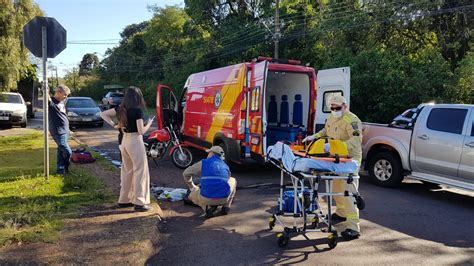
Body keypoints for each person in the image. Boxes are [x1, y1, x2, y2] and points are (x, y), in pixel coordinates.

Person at [302, 94, 363, 240]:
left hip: (350, 160)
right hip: (336, 159)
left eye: (337, 108)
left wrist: (335, 146)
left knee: (348, 193)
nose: (335, 110)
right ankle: (341, 213)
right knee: (336, 189)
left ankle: (353, 227)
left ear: (345, 106)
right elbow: (325, 131)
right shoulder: (331, 117)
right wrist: (314, 137)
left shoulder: (352, 120)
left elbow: (355, 142)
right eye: (332, 108)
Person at [112, 86, 154, 212]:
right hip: (135, 141)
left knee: (126, 170)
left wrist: (114, 125)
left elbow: (103, 114)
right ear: (138, 97)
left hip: (124, 140)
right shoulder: (137, 110)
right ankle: (140, 202)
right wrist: (149, 124)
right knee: (140, 171)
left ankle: (124, 199)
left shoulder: (121, 109)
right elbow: (141, 131)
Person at [182, 146, 237, 218]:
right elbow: (226, 179)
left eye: (208, 153)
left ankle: (207, 208)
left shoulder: (204, 162)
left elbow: (186, 173)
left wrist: (192, 186)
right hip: (224, 198)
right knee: (233, 180)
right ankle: (226, 207)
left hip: (206, 199)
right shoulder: (225, 166)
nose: (207, 155)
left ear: (211, 153)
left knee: (191, 195)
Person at [49, 85, 72, 175]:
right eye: (65, 95)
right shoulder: (51, 102)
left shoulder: (62, 102)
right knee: (67, 150)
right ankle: (66, 167)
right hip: (57, 131)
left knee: (61, 151)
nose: (66, 97)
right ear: (58, 93)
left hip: (65, 130)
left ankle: (60, 169)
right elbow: (47, 98)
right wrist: (45, 87)